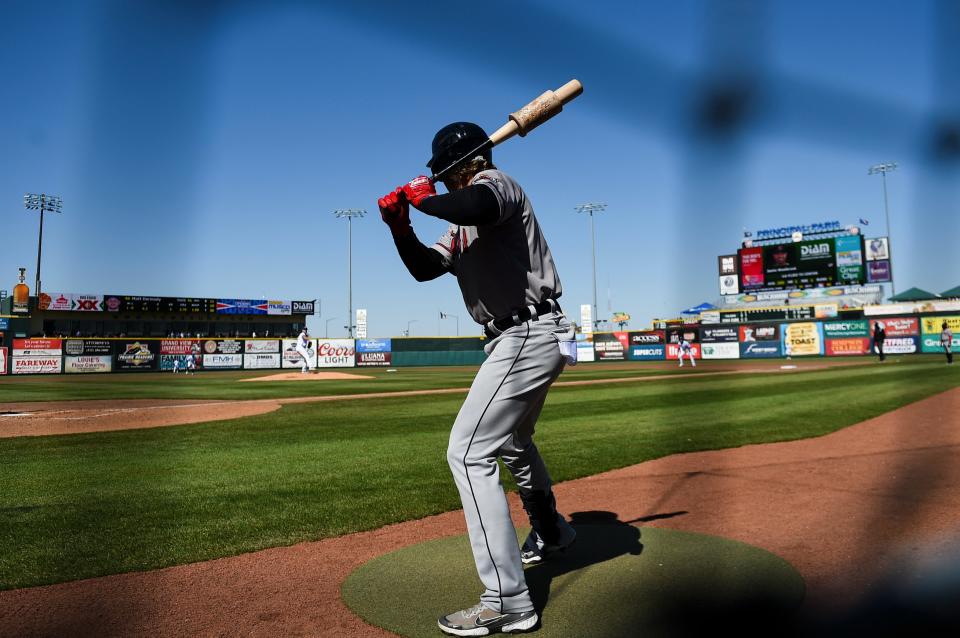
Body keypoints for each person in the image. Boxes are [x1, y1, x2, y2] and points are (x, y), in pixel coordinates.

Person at [378, 121, 577, 636]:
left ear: (455, 169)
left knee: (467, 452)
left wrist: (422, 201)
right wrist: (402, 228)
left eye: (440, 177)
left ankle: (508, 600)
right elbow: (427, 268)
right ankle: (552, 530)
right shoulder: (457, 223)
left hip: (526, 332)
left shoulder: (498, 184)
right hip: (527, 335)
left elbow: (477, 206)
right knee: (512, 442)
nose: (437, 185)